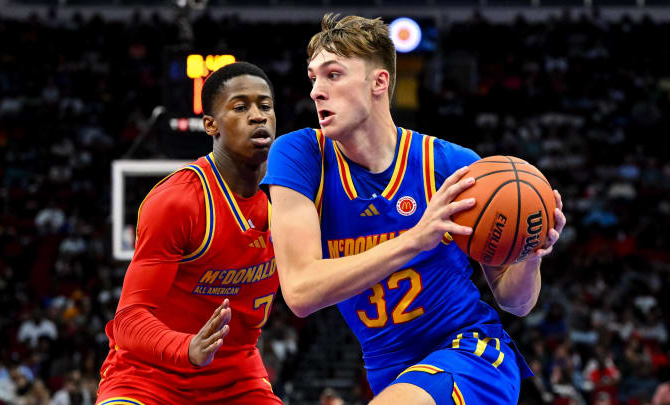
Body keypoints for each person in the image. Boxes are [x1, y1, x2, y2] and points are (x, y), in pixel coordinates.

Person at [262, 14, 566, 405]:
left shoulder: (450, 167)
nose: (317, 91)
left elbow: (515, 302)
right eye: (313, 78)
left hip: (471, 354)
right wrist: (415, 240)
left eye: (333, 75)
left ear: (379, 82)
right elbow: (301, 292)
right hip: (388, 372)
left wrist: (530, 253)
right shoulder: (300, 155)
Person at [96, 62, 282, 405]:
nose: (257, 116)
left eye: (265, 106)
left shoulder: (292, 195)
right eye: (241, 107)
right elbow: (127, 320)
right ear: (210, 124)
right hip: (149, 377)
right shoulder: (178, 201)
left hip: (235, 380)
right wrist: (187, 348)